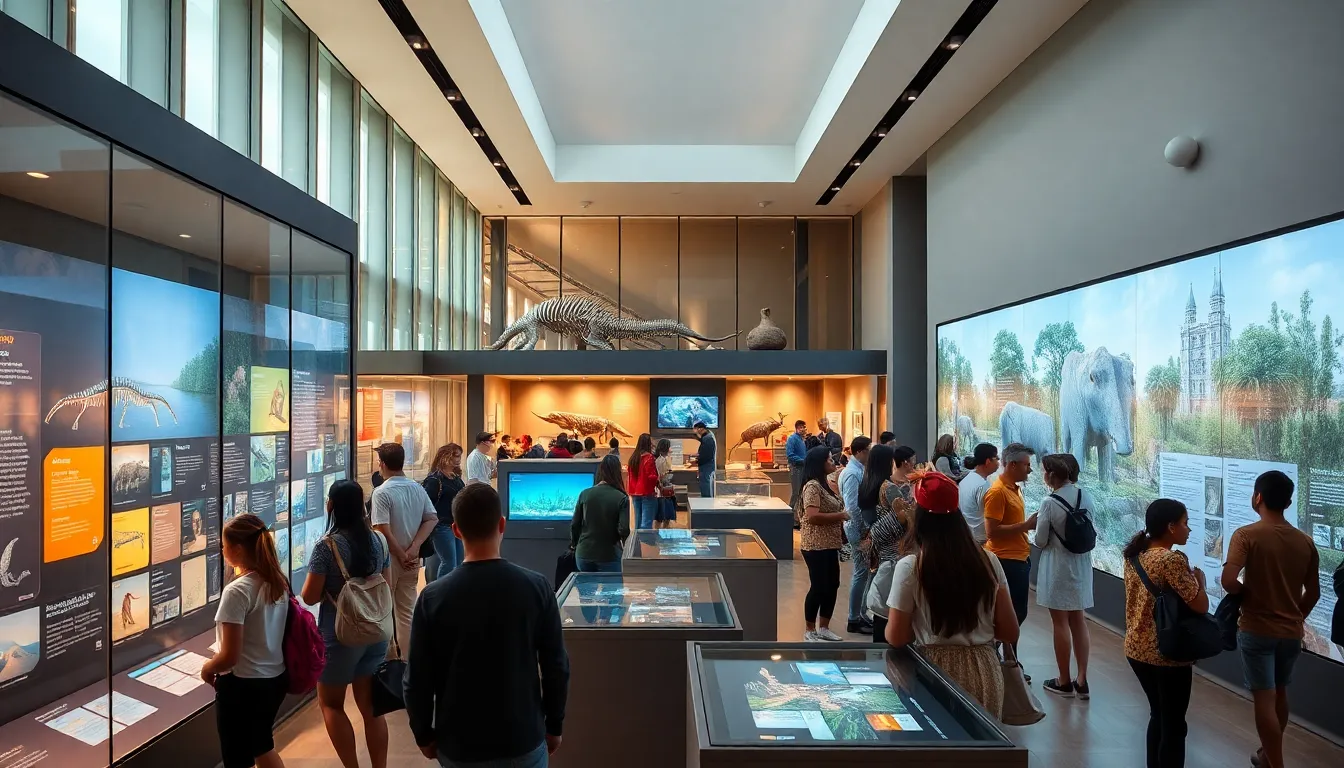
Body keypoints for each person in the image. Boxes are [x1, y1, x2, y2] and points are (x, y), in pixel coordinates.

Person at [404, 483, 570, 768]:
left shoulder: (432, 598)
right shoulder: (537, 588)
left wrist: (423, 734)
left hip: (459, 743)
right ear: (502, 524)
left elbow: (417, 678)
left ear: (456, 530)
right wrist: (554, 724)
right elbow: (556, 666)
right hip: (523, 737)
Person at [885, 471, 1017, 717]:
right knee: (980, 746)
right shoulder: (989, 561)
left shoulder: (912, 567)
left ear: (920, 517)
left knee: (937, 749)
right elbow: (1009, 631)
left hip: (933, 671)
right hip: (985, 671)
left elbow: (896, 636)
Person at [1219, 470, 1319, 768]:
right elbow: (1313, 593)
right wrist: (1294, 616)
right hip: (1290, 633)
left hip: (1256, 629)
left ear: (1258, 497)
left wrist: (1246, 595)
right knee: (1280, 693)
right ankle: (1267, 755)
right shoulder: (1305, 541)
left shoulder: (1246, 535)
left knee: (1264, 699)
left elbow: (1227, 580)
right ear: (1288, 502)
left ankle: (1275, 763)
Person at [301, 481, 391, 768]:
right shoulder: (379, 540)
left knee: (331, 705)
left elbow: (310, 596)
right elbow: (386, 583)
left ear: (331, 506)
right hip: (376, 632)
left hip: (339, 636)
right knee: (371, 709)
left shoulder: (326, 547)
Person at [1124, 499, 1208, 768]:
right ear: (1171, 527)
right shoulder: (1172, 559)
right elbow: (1200, 604)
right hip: (1167, 651)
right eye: (1185, 524)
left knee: (1159, 715)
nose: (1188, 530)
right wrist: (1201, 583)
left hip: (1137, 648)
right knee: (1174, 724)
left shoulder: (1135, 554)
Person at [203, 513, 289, 768]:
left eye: (224, 544)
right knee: (262, 745)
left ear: (237, 548)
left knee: (237, 758)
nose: (222, 549)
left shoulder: (237, 591)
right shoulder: (276, 580)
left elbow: (230, 655)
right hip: (274, 679)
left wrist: (208, 668)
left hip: (244, 686)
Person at [1033, 453, 1094, 699]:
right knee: (1078, 621)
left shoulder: (1049, 502)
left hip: (1057, 567)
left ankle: (1064, 680)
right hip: (1081, 566)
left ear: (1052, 475)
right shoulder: (1086, 496)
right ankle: (1082, 679)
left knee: (1060, 623)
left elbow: (1039, 540)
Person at [369, 442, 437, 660]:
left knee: (386, 611)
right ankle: (408, 661)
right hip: (411, 560)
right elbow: (431, 518)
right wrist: (414, 548)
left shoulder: (381, 492)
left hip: (390, 561)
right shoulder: (416, 488)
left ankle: (389, 661)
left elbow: (381, 529)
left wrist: (400, 553)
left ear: (382, 464)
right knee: (407, 611)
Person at [983, 442, 1037, 639]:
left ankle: (1007, 655)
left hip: (1018, 558)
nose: (1029, 469)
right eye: (1026, 464)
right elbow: (992, 531)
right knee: (1013, 613)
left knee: (1016, 612)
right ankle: (1000, 653)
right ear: (1012, 465)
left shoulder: (1013, 489)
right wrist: (1026, 526)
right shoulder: (997, 492)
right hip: (1006, 560)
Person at [798, 445, 849, 642]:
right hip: (815, 545)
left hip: (829, 543)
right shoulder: (812, 486)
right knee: (819, 586)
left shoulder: (825, 483)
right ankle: (810, 629)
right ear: (820, 463)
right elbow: (812, 516)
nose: (833, 462)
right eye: (829, 459)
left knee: (832, 584)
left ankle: (824, 627)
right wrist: (841, 515)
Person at [570, 455, 631, 573]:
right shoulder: (621, 498)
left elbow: (575, 524)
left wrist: (574, 544)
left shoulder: (585, 494)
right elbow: (623, 530)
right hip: (609, 554)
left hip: (583, 554)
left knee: (587, 590)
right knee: (612, 590)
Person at [839, 436, 873, 635]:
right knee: (860, 573)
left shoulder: (857, 470)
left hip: (857, 527)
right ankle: (853, 618)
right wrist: (863, 531)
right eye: (869, 450)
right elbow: (852, 506)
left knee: (864, 572)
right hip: (856, 528)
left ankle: (859, 614)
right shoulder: (852, 473)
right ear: (860, 451)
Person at [423, 444, 466, 581]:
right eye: (456, 455)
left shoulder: (455, 477)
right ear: (446, 456)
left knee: (458, 562)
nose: (459, 459)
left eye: (459, 455)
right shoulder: (435, 480)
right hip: (442, 525)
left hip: (456, 524)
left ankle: (453, 590)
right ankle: (442, 591)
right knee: (449, 562)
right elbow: (427, 504)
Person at [959, 444, 999, 546]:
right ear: (988, 462)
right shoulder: (983, 486)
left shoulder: (966, 479)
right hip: (980, 541)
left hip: (966, 535)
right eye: (996, 459)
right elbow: (991, 517)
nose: (998, 463)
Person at [626, 433, 660, 530]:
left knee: (637, 521)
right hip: (647, 491)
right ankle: (646, 543)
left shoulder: (633, 457)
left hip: (634, 492)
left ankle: (637, 543)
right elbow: (652, 476)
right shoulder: (649, 457)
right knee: (646, 523)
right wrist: (658, 480)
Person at [653, 438, 677, 529]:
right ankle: (664, 533)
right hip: (663, 490)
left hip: (661, 489)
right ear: (666, 448)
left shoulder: (658, 459)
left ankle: (657, 534)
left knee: (660, 516)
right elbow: (662, 476)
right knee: (665, 515)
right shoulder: (662, 460)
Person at [786, 420, 808, 510]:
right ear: (797, 428)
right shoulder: (792, 439)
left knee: (802, 492)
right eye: (801, 427)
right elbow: (790, 455)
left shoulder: (802, 439)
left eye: (804, 427)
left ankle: (798, 515)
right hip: (795, 468)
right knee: (796, 492)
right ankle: (790, 513)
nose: (803, 429)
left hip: (803, 468)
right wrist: (803, 460)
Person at [693, 422, 717, 498]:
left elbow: (707, 455)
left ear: (700, 429)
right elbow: (703, 452)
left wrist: (697, 461)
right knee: (704, 486)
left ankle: (709, 506)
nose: (695, 431)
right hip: (705, 467)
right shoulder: (706, 438)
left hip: (707, 467)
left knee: (707, 487)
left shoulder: (708, 438)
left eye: (695, 429)